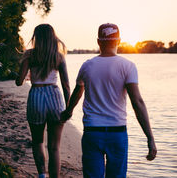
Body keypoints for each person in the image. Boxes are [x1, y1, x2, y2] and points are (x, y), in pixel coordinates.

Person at [61, 23, 157, 178]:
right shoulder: (128, 66)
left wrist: (68, 111)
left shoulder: (87, 66)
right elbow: (137, 102)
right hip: (117, 133)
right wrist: (150, 137)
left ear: (98, 42)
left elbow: (78, 91)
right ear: (118, 41)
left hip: (92, 132)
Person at [16, 24, 70, 178]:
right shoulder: (58, 56)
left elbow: (19, 82)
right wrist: (68, 108)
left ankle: (41, 175)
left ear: (36, 38)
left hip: (36, 96)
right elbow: (66, 85)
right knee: (54, 148)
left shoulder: (30, 55)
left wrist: (21, 74)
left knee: (38, 141)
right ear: (53, 37)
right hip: (54, 95)